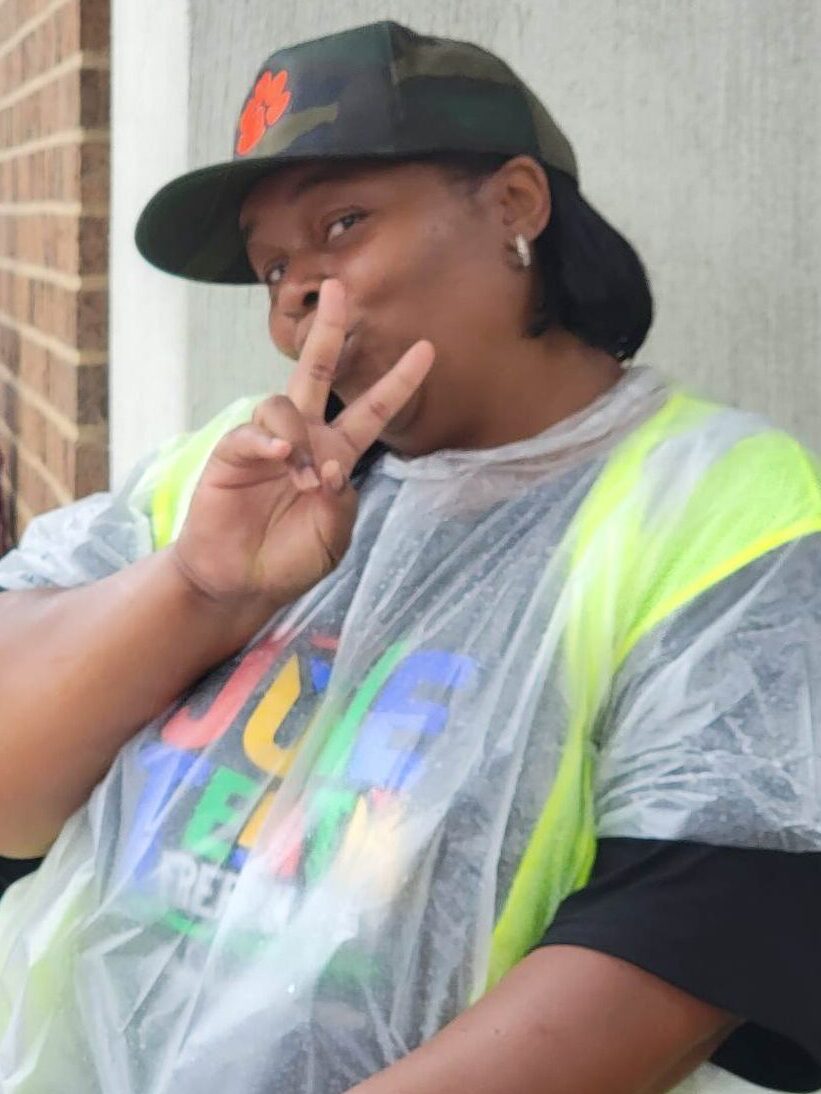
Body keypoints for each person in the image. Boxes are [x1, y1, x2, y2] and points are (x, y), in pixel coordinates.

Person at [0, 20, 818, 1094]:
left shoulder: (721, 505)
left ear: (515, 204)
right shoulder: (225, 473)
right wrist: (195, 589)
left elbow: (671, 957)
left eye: (341, 223)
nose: (295, 295)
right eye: (272, 265)